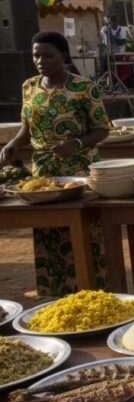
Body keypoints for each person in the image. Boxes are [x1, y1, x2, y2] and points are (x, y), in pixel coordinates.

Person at [0, 31, 111, 296]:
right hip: (43, 175)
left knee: (84, 230)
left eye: (48, 55)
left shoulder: (84, 88)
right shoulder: (29, 87)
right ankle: (55, 292)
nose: (41, 60)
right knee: (47, 230)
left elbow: (101, 129)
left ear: (63, 55)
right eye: (36, 55)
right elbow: (26, 128)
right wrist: (14, 143)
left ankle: (91, 289)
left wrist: (77, 143)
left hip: (79, 172)